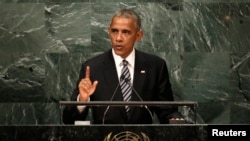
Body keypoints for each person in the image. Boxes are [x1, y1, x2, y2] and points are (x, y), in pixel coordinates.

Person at [62, 8, 183, 124]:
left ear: (138, 36)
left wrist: (179, 123)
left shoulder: (155, 66)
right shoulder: (93, 67)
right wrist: (82, 101)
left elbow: (168, 111)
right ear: (109, 32)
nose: (118, 38)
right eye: (114, 31)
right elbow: (69, 120)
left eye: (126, 32)